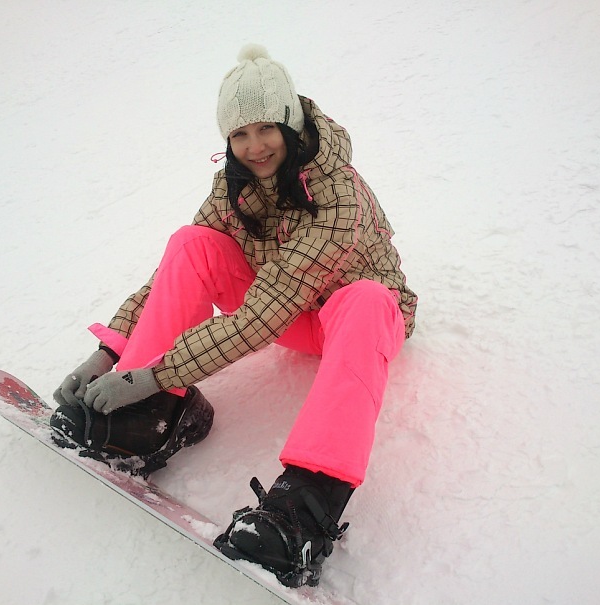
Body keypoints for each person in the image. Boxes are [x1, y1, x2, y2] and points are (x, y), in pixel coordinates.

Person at [50, 44, 417, 588]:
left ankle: (309, 498)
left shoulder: (339, 195)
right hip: (289, 311)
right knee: (192, 241)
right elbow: (175, 272)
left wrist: (155, 370)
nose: (254, 146)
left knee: (366, 299)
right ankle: (152, 415)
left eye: (266, 128)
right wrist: (113, 351)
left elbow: (266, 311)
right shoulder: (234, 184)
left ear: (291, 124)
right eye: (239, 134)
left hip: (352, 321)